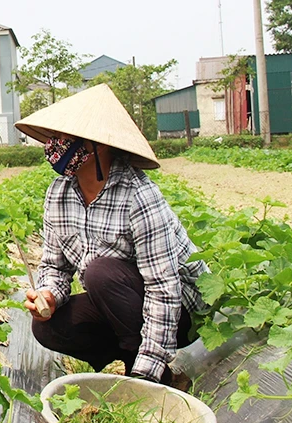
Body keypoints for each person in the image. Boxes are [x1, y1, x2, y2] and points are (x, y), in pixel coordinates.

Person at [15, 84, 209, 385]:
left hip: (179, 311)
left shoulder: (138, 195)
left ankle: (151, 375)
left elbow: (163, 290)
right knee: (48, 327)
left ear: (99, 145)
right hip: (120, 302)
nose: (56, 145)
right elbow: (55, 266)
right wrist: (50, 295)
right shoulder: (58, 195)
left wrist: (148, 370)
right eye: (56, 136)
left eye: (67, 138)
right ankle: (129, 359)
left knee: (100, 272)